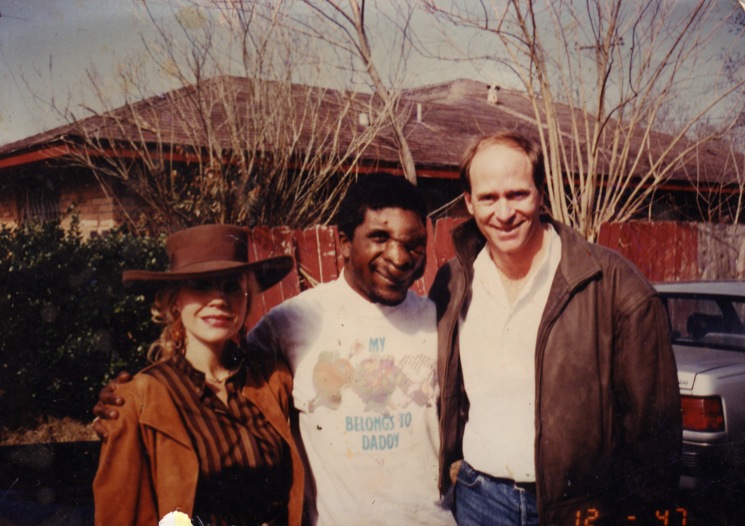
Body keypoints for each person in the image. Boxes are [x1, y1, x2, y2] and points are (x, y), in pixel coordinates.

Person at [94, 174, 453, 525]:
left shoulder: (438, 321)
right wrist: (124, 401)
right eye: (202, 286)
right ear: (344, 243)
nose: (398, 257)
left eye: (232, 286)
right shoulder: (294, 320)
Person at [428, 132, 682, 525]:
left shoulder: (613, 285)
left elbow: (654, 435)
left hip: (581, 509)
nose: (504, 212)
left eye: (517, 194)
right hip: (480, 502)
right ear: (469, 203)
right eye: (488, 198)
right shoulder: (454, 280)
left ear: (541, 194)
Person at [92, 224, 305, 526]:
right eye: (201, 285)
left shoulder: (273, 381)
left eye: (232, 285)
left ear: (247, 297)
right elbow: (121, 516)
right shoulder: (138, 400)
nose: (219, 299)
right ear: (174, 300)